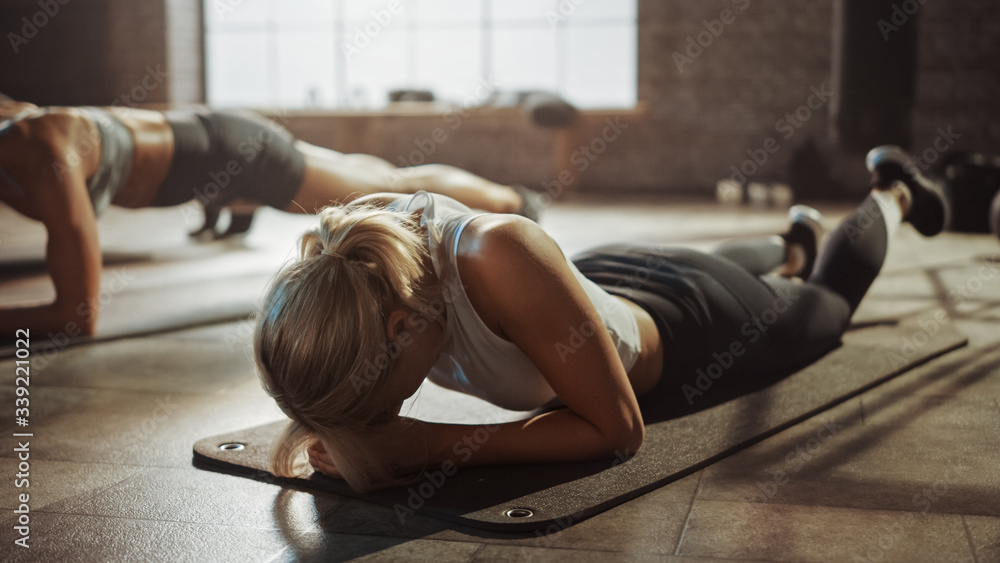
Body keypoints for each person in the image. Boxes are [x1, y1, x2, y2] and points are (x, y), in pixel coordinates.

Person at [253, 145, 947, 492]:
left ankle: (893, 191)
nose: (385, 415)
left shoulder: (496, 253)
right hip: (590, 282)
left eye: (382, 402)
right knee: (761, 270)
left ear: (402, 331)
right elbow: (324, 376)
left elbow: (618, 431)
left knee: (827, 311)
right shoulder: (356, 269)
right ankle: (791, 247)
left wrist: (428, 445)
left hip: (691, 319)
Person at [0, 100, 540, 337]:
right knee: (377, 175)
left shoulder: (36, 148)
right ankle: (507, 199)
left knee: (387, 188)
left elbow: (77, 315)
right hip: (210, 143)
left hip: (235, 157)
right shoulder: (18, 128)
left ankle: (510, 205)